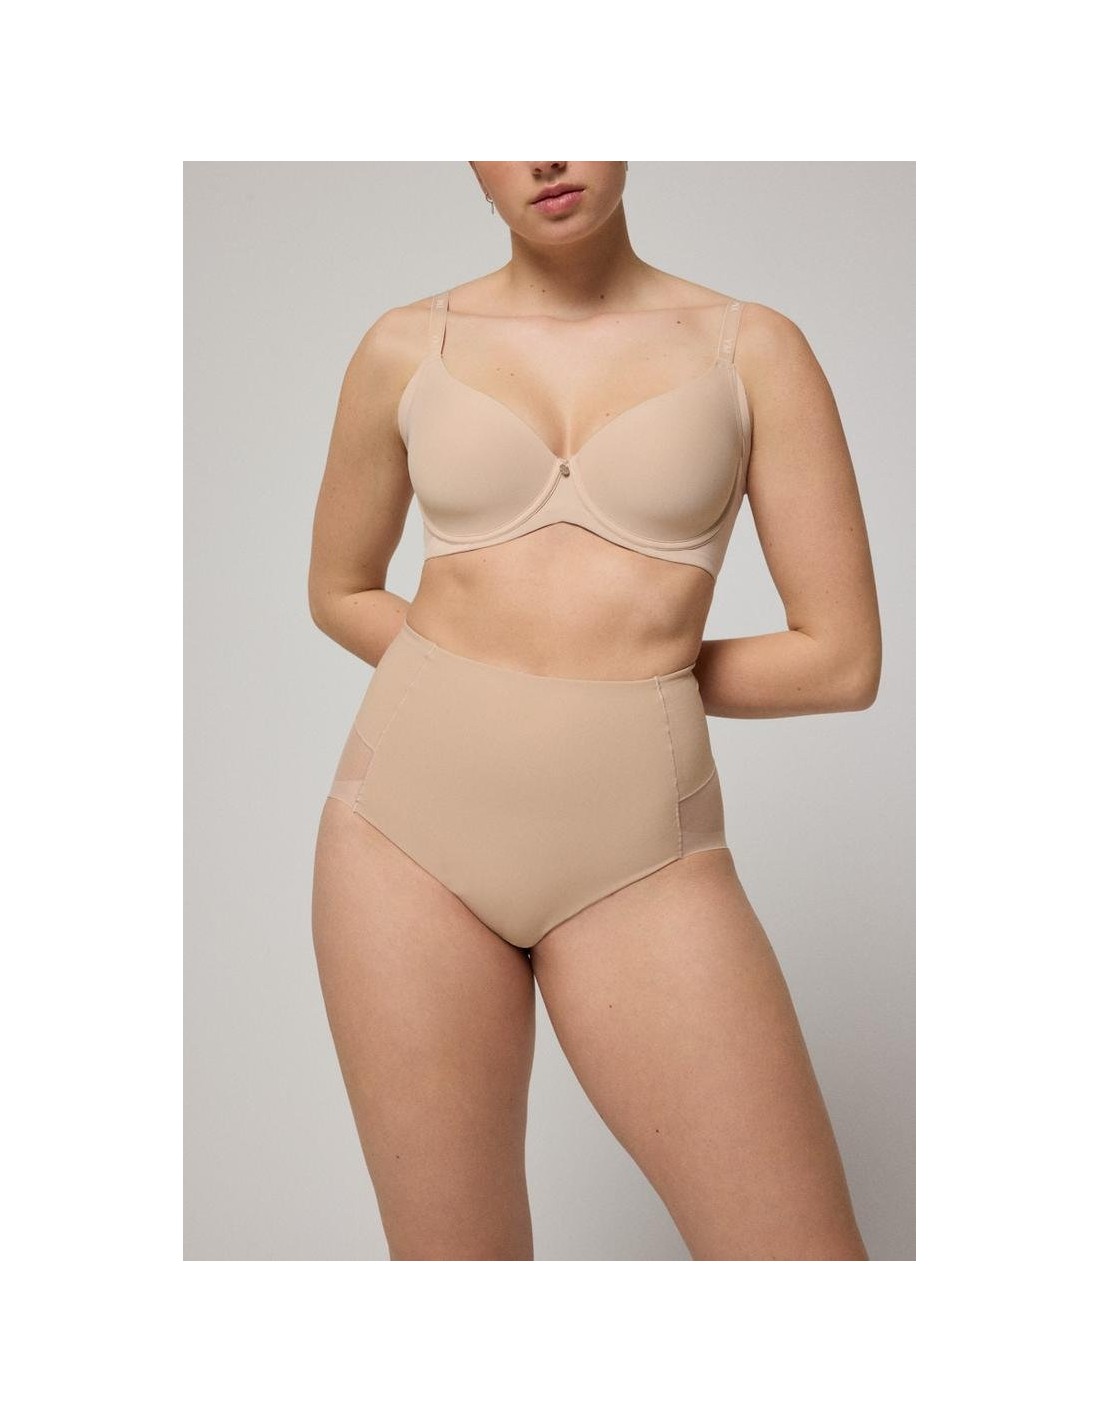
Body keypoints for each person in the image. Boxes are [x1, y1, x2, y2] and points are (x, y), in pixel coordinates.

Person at [308, 161, 882, 1261]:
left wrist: (624, 682)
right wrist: (483, 678)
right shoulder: (404, 346)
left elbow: (839, 661)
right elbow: (338, 588)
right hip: (400, 842)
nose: (546, 157)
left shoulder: (751, 349)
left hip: (639, 856)